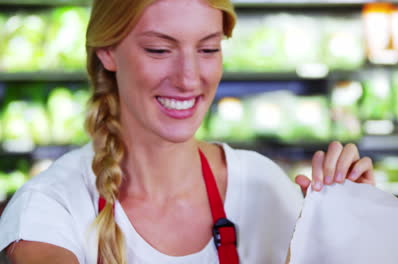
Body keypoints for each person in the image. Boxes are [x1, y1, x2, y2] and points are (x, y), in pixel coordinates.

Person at [0, 0, 374, 263]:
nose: (189, 78)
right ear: (107, 51)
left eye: (208, 49)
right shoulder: (49, 207)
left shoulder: (264, 187)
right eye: (160, 50)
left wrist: (351, 235)